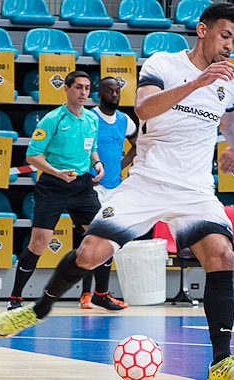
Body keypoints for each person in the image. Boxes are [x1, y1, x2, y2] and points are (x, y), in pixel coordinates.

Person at [0, 3, 234, 379]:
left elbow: (230, 115)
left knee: (222, 256)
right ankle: (38, 308)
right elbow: (144, 108)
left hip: (195, 188)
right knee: (90, 253)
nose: (231, 45)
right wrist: (198, 82)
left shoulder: (229, 80)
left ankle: (222, 362)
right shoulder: (163, 63)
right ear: (202, 30)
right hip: (148, 182)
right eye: (224, 35)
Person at [5, 71, 104, 310]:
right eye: (78, 87)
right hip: (53, 185)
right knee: (39, 243)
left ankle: (98, 294)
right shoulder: (52, 119)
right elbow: (32, 156)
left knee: (101, 236)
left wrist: (97, 163)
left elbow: (92, 149)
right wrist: (56, 172)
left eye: (87, 88)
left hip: (81, 185)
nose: (83, 93)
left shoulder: (92, 119)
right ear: (67, 89)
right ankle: (15, 297)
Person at [79, 76, 137, 311]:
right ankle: (86, 293)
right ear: (100, 94)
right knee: (89, 239)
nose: (115, 95)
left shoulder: (125, 120)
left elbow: (138, 144)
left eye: (117, 91)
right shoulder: (89, 117)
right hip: (91, 187)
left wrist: (122, 165)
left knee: (108, 240)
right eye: (110, 91)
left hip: (115, 188)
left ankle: (99, 294)